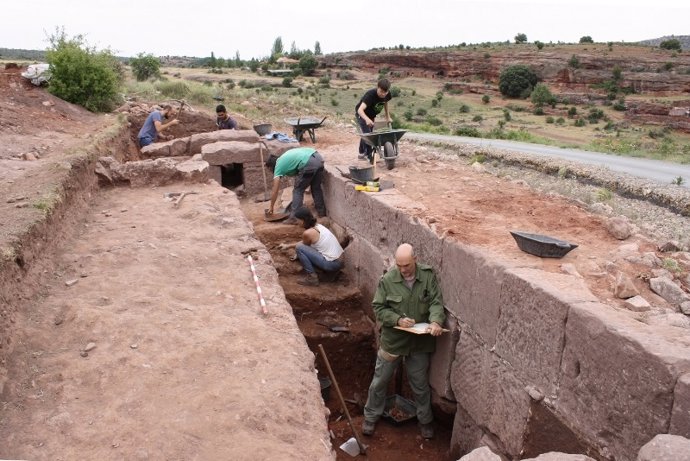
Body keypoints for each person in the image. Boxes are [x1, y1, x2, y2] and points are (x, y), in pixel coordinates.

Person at [362, 243, 446, 440]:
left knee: (420, 384)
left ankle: (425, 422)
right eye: (399, 265)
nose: (403, 269)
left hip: (419, 343)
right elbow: (379, 308)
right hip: (394, 341)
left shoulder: (427, 275)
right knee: (380, 381)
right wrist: (398, 320)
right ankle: (370, 417)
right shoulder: (388, 280)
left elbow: (435, 301)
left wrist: (435, 321)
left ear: (415, 260)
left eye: (406, 265)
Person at [279, 207, 344, 286]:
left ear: (303, 220)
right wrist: (288, 246)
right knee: (301, 247)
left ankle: (312, 278)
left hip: (332, 264)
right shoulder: (318, 226)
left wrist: (296, 253)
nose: (296, 222)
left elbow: (302, 246)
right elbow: (305, 243)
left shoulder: (308, 233)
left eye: (297, 220)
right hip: (340, 261)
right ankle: (330, 274)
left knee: (299, 248)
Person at [265, 147, 326, 223]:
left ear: (272, 166)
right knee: (316, 188)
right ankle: (321, 213)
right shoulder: (285, 157)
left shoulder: (278, 166)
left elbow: (275, 190)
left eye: (270, 169)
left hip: (307, 163)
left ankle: (294, 218)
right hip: (318, 159)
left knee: (298, 190)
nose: (271, 171)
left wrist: (271, 207)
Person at [355, 78, 392, 161]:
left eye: (385, 92)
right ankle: (369, 156)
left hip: (371, 115)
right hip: (362, 114)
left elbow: (385, 103)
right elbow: (360, 110)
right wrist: (367, 120)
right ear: (377, 87)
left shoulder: (387, 94)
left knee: (367, 132)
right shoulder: (370, 95)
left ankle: (361, 152)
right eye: (381, 91)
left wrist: (387, 116)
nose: (383, 94)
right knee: (368, 135)